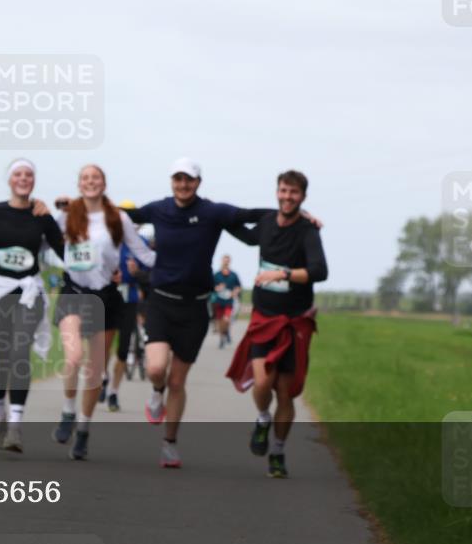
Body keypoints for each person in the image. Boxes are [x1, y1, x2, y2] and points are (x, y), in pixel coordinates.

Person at [128, 158, 295, 468]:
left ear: (198, 182)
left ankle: (170, 444)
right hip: (161, 301)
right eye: (178, 179)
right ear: (171, 181)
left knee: (178, 381)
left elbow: (249, 215)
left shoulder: (211, 212)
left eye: (188, 179)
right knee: (155, 368)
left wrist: (293, 214)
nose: (183, 184)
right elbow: (124, 214)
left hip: (195, 307)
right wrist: (79, 206)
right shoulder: (158, 209)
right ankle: (155, 391)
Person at [225, 170, 328, 478]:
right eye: (283, 191)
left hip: (294, 322)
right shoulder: (267, 223)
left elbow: (320, 271)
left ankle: (279, 452)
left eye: (294, 193)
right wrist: (214, 217)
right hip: (264, 317)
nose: (287, 197)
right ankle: (261, 418)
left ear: (303, 197)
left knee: (285, 392)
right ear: (277, 192)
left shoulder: (308, 231)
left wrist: (281, 274)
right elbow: (237, 223)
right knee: (262, 382)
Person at [51, 165, 155, 460]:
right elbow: (43, 240)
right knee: (72, 358)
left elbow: (144, 253)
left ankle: (83, 429)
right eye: (85, 178)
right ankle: (68, 412)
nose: (90, 182)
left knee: (95, 370)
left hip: (105, 296)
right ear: (79, 183)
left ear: (104, 183)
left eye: (95, 178)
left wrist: (179, 259)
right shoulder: (67, 214)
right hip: (73, 291)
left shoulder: (118, 217)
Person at [0, 159, 63, 452]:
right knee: (1, 358)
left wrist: (62, 217)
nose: (24, 178)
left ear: (34, 181)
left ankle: (16, 426)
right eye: (18, 174)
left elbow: (65, 250)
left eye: (29, 174)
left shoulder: (42, 216)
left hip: (28, 293)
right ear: (9, 180)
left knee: (20, 351)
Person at [105, 202, 150, 412]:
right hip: (106, 297)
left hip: (130, 299)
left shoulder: (140, 243)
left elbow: (149, 273)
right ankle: (104, 377)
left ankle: (114, 392)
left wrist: (136, 275)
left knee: (123, 349)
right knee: (102, 347)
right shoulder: (105, 238)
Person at [212, 255, 241, 348]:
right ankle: (222, 339)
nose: (226, 262)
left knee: (226, 319)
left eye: (227, 261)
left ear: (229, 262)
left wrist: (235, 292)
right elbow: (211, 287)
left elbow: (238, 286)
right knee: (220, 321)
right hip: (219, 301)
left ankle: (226, 331)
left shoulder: (234, 275)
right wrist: (218, 288)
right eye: (224, 260)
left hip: (229, 301)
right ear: (222, 261)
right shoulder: (217, 275)